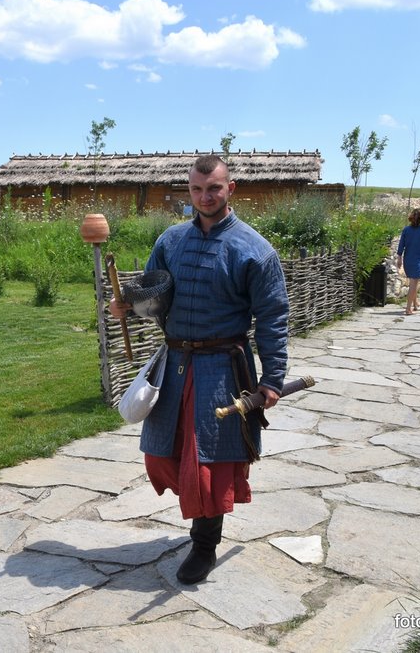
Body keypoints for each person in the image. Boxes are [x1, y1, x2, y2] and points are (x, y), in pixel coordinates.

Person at [110, 154, 289, 584]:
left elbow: (273, 317)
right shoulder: (171, 241)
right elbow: (154, 296)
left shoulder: (255, 250)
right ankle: (197, 515)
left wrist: (272, 379)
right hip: (175, 364)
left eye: (213, 188)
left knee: (207, 463)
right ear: (188, 190)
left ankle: (204, 546)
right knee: (161, 456)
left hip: (222, 369)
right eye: (196, 189)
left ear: (231, 189)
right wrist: (128, 306)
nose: (205, 197)